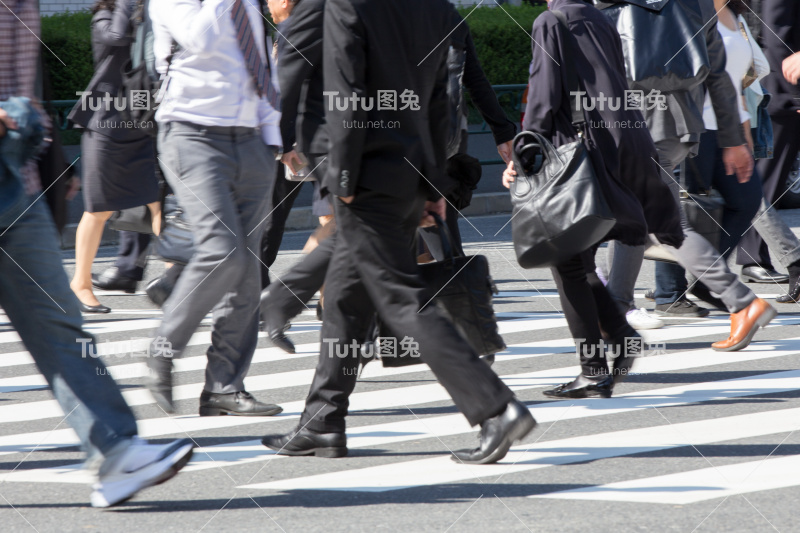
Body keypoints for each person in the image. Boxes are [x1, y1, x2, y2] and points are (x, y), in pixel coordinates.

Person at [262, 0, 535, 465]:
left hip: (362, 173)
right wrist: (432, 183)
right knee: (347, 302)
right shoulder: (433, 8)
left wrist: (337, 175)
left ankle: (496, 408)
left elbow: (327, 77)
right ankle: (322, 421)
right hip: (408, 168)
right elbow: (438, 98)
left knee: (399, 298)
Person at [1, 99, 192, 512]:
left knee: (59, 325)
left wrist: (55, 164)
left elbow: (26, 92)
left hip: (19, 185)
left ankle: (115, 451)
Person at [503, 0, 683, 398]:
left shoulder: (550, 20)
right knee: (575, 260)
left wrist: (521, 156)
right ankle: (616, 342)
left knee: (565, 259)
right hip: (613, 145)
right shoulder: (599, 19)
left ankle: (595, 365)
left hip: (573, 152)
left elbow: (544, 99)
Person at [596, 0, 776, 352]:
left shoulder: (607, 6)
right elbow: (719, 74)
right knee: (638, 217)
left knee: (665, 224)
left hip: (633, 122)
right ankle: (615, 310)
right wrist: (732, 140)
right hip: (681, 125)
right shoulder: (693, 4)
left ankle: (741, 300)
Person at [146, 0, 283, 417]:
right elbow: (198, 38)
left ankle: (224, 386)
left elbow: (259, 68)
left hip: (250, 140)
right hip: (192, 135)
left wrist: (274, 137)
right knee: (221, 250)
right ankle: (163, 348)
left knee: (246, 268)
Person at [68, 0, 161, 313]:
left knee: (158, 202)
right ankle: (80, 284)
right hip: (106, 124)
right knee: (98, 209)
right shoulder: (104, 18)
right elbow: (118, 38)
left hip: (142, 121)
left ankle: (184, 282)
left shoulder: (146, 14)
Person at [736, 0, 800, 297]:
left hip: (777, 90)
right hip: (784, 92)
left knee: (762, 181)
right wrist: (794, 97)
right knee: (764, 182)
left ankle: (751, 257)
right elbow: (778, 34)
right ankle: (752, 257)